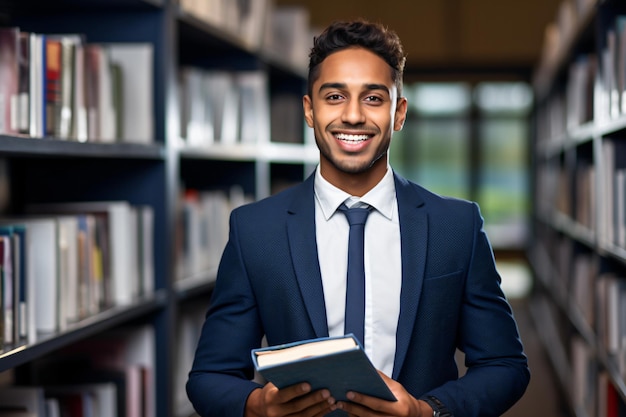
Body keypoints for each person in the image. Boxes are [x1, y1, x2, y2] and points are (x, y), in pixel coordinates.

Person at [186, 19, 530, 417]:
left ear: (398, 113)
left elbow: (505, 365)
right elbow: (209, 376)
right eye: (334, 96)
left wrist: (426, 412)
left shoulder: (457, 226)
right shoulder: (255, 230)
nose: (352, 116)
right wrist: (257, 404)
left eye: (373, 98)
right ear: (309, 110)